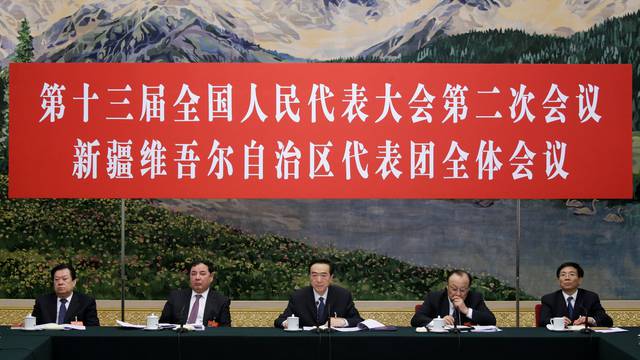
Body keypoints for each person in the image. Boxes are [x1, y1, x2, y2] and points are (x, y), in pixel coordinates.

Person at [274, 259, 363, 328]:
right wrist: (287, 323)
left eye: (323, 275)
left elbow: (358, 320)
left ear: (331, 277)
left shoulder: (343, 295)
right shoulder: (298, 296)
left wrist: (342, 322)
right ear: (310, 277)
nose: (319, 280)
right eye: (314, 275)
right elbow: (279, 320)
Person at [411, 269, 496, 327]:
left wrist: (466, 311)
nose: (458, 294)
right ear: (447, 287)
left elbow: (491, 321)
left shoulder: (475, 298)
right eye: (454, 289)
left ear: (468, 289)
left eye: (462, 290)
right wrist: (439, 322)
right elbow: (416, 320)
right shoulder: (435, 297)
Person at [538, 262, 613, 327]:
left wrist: (590, 320)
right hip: (558, 339)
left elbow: (607, 321)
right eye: (563, 275)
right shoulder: (549, 299)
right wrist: (556, 321)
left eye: (571, 274)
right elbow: (542, 321)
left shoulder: (590, 297)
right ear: (559, 280)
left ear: (579, 280)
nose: (567, 278)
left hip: (584, 339)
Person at [160, 260, 231, 327]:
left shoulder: (221, 301)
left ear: (211, 277)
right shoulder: (175, 297)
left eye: (202, 274)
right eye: (193, 274)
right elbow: (162, 324)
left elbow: (225, 329)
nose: (197, 278)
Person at [32, 263, 100, 326]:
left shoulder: (86, 302)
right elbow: (33, 324)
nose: (60, 282)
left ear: (74, 282)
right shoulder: (42, 301)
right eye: (56, 279)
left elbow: (94, 327)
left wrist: (81, 326)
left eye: (64, 279)